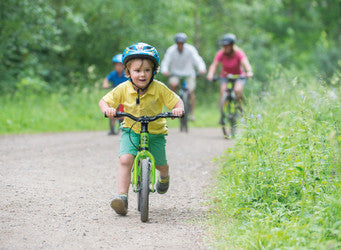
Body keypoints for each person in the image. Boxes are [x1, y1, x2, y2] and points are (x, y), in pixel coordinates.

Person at [99, 42, 184, 216]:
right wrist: (108, 109)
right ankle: (122, 197)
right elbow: (104, 101)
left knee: (161, 164)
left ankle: (165, 176)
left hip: (156, 132)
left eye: (147, 70)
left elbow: (177, 101)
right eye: (137, 70)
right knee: (125, 160)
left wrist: (178, 109)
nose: (142, 74)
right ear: (128, 72)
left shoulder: (159, 88)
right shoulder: (123, 88)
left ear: (154, 71)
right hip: (131, 130)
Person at [160, 33, 206, 121]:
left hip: (189, 73)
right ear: (176, 43)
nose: (180, 44)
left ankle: (192, 114)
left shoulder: (190, 49)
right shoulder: (171, 50)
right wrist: (165, 70)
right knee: (173, 85)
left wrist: (201, 68)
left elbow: (197, 59)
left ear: (184, 43)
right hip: (175, 73)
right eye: (178, 43)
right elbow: (166, 61)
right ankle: (173, 108)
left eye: (182, 43)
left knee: (191, 91)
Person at [206, 33, 253, 112]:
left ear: (232, 45)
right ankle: (222, 113)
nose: (225, 47)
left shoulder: (238, 53)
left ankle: (240, 107)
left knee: (237, 90)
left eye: (227, 45)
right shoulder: (221, 53)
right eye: (224, 46)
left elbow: (245, 63)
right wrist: (210, 73)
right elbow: (214, 65)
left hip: (238, 76)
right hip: (225, 76)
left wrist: (249, 71)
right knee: (223, 90)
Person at [102, 54, 128, 135]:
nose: (118, 67)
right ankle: (112, 128)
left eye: (120, 65)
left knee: (126, 110)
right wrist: (105, 84)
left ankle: (125, 126)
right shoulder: (113, 74)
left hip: (125, 96)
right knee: (112, 110)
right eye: (116, 65)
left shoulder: (126, 74)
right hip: (115, 96)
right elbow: (106, 79)